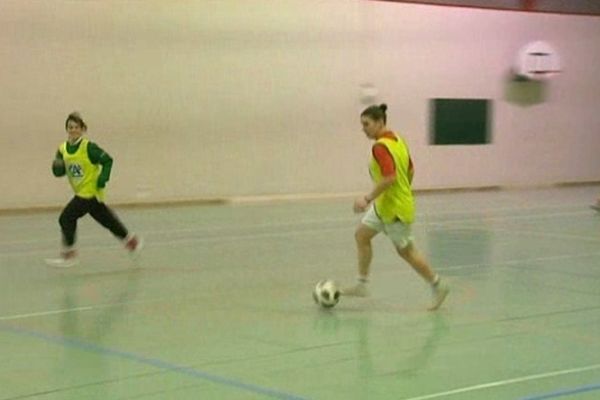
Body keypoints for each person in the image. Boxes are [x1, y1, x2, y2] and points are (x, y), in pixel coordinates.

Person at [342, 104, 449, 311]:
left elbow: (390, 177)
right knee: (362, 236)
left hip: (395, 208)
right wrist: (402, 190)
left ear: (380, 122)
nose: (363, 129)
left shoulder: (380, 147)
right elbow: (410, 170)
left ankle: (438, 285)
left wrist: (367, 198)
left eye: (367, 124)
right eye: (362, 124)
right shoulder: (398, 140)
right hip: (385, 205)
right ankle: (361, 284)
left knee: (406, 252)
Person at [45, 112, 143, 267]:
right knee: (106, 219)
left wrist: (104, 177)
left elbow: (107, 160)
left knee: (66, 218)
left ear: (82, 129)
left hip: (89, 192)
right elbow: (62, 171)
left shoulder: (89, 147)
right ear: (66, 129)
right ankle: (131, 241)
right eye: (70, 127)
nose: (73, 130)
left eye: (76, 127)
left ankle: (69, 254)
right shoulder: (62, 149)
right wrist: (58, 170)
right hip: (81, 191)